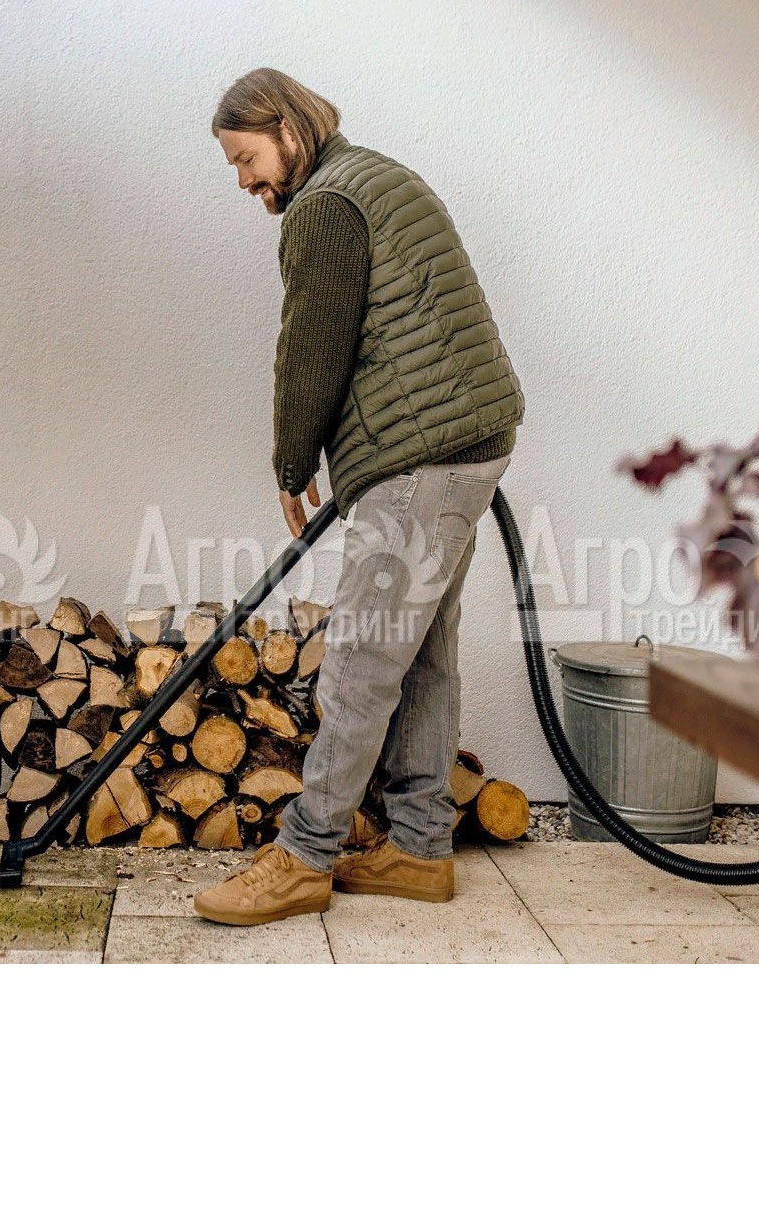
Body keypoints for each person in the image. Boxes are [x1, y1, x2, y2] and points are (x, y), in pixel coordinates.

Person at [194, 69, 525, 926]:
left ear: (285, 128)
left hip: (422, 454)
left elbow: (312, 345)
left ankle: (304, 857)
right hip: (465, 442)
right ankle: (418, 846)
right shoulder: (375, 174)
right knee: (422, 656)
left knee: (361, 660)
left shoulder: (327, 206)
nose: (244, 180)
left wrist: (291, 461)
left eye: (247, 158)